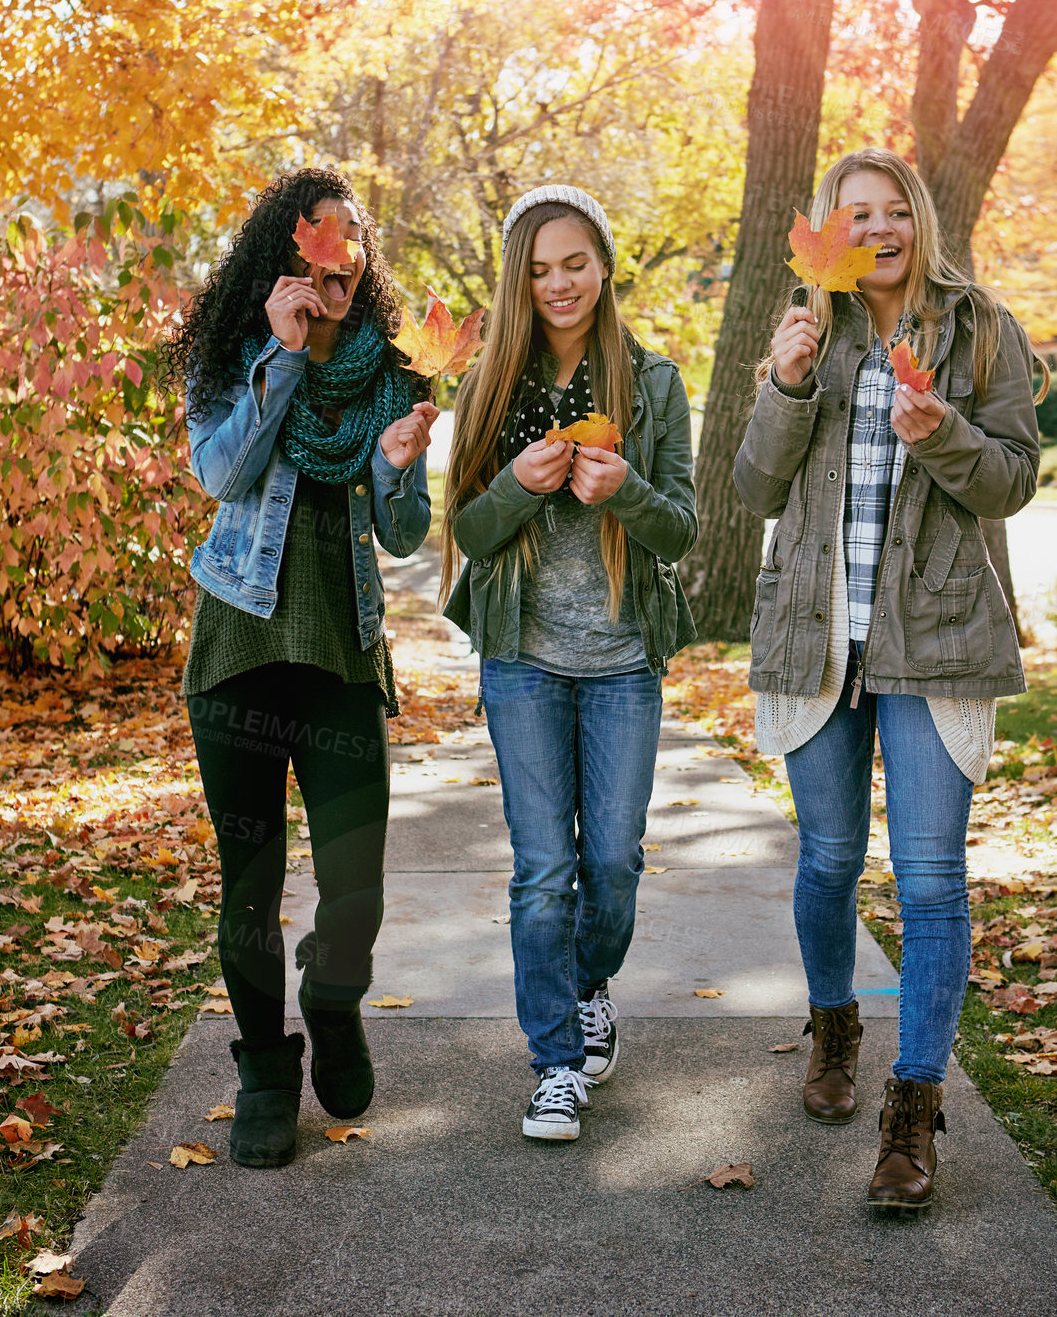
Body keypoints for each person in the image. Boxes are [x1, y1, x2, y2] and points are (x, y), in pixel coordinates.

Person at [734, 148, 1044, 1209]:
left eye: (892, 207)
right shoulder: (806, 328)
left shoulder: (981, 326)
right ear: (825, 226)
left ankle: (911, 1113)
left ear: (918, 218)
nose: (877, 225)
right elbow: (752, 485)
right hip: (818, 632)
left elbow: (1010, 481)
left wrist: (946, 435)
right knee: (826, 861)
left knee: (928, 878)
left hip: (938, 635)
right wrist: (781, 381)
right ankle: (833, 1022)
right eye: (851, 211)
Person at [164, 168, 437, 1169]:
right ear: (281, 255)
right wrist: (279, 359)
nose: (333, 261)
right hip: (239, 649)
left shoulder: (394, 377)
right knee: (249, 884)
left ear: (362, 260)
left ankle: (333, 991)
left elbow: (402, 535)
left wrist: (403, 463)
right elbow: (221, 475)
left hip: (339, 656)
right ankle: (266, 1073)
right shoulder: (231, 359)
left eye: (348, 244)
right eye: (313, 243)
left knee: (354, 885)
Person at [442, 184, 698, 1142]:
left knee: (614, 863)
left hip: (624, 656)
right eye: (539, 268)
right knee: (542, 871)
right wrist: (514, 485)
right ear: (519, 279)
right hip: (524, 662)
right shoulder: (494, 386)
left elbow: (680, 528)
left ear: (603, 266)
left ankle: (588, 982)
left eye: (574, 263)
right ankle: (553, 1062)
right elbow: (463, 528)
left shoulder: (651, 383)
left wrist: (624, 490)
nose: (559, 283)